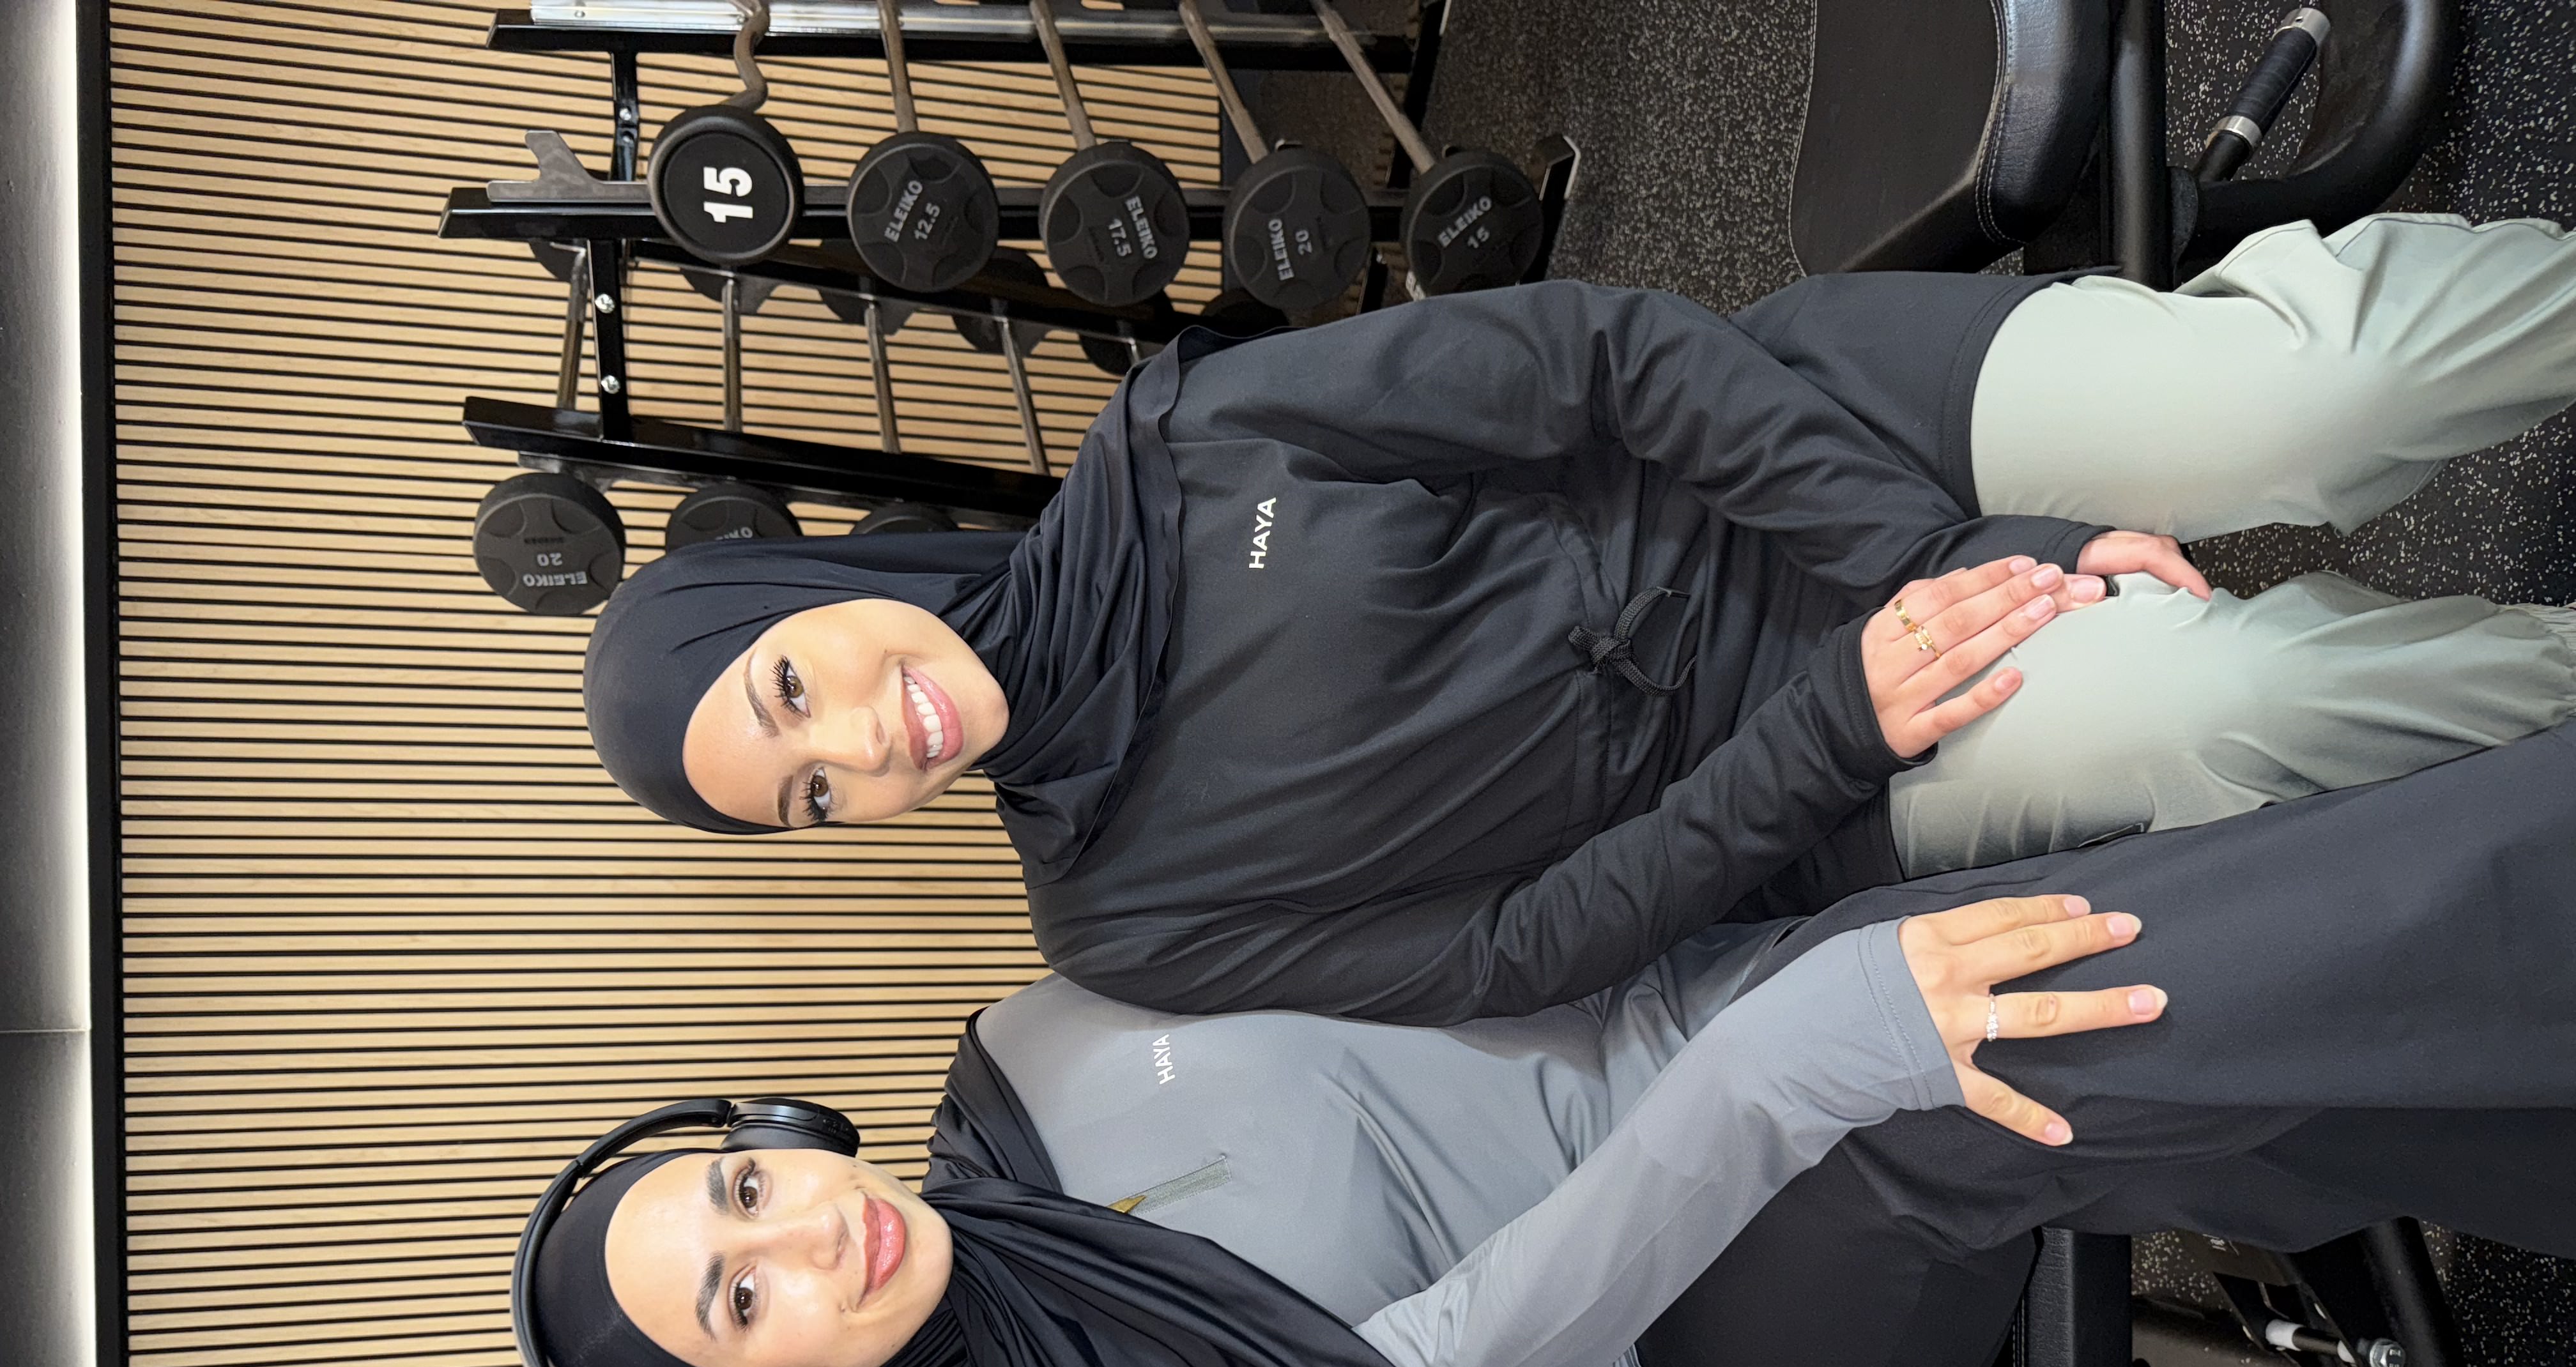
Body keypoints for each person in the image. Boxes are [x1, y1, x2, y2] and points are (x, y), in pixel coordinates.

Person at [524, 721, 2576, 1367]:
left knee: (2034, 971)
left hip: (1686, 1017)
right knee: (1970, 1061)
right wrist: (1788, 1055)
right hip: (1695, 1362)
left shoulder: (1030, 1028)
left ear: (768, 1132)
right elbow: (1483, 1363)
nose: (796, 1238)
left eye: (735, 1190)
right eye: (739, 1303)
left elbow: (1427, 924)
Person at [581, 213, 2576, 1023]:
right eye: (806, 802)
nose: (864, 749)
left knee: (2317, 396)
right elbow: (1525, 948)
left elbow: (1609, 362)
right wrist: (1842, 722)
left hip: (1828, 446)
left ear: (815, 594)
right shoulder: (1128, 928)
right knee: (2203, 708)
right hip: (1832, 771)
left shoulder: (1185, 439)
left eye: (791, 693)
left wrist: (1947, 553)